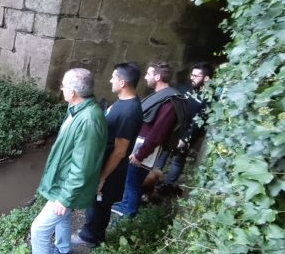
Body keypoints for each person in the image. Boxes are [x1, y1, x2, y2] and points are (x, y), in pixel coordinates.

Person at [30, 68, 108, 254]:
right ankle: (63, 250)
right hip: (63, 183)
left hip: (67, 188)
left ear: (72, 92)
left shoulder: (88, 120)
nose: (61, 88)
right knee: (63, 218)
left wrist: (65, 198)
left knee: (39, 230)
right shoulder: (77, 108)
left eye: (63, 86)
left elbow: (83, 168)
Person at [71, 63, 143, 248]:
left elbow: (120, 151)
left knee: (100, 204)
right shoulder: (122, 102)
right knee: (95, 203)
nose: (110, 80)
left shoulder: (130, 111)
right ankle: (94, 234)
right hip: (102, 163)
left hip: (110, 168)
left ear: (123, 82)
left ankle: (91, 238)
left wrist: (102, 177)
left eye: (113, 77)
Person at [112, 61, 180, 217]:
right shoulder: (160, 96)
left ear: (157, 76)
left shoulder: (169, 101)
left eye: (149, 74)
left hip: (145, 150)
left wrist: (140, 154)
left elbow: (158, 132)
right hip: (140, 146)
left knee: (134, 183)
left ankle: (129, 212)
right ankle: (125, 204)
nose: (145, 78)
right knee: (130, 180)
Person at [156, 62, 214, 190]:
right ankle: (152, 181)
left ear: (206, 78)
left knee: (177, 159)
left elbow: (201, 122)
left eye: (196, 76)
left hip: (187, 134)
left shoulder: (208, 99)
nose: (192, 78)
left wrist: (186, 138)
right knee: (162, 153)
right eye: (192, 75)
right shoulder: (186, 88)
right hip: (172, 129)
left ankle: (166, 187)